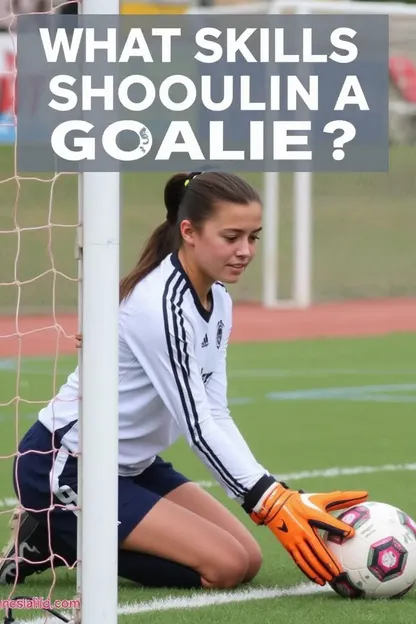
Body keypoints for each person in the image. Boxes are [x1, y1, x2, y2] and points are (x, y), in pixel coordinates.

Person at [0, 171, 367, 590]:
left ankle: (67, 531)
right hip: (64, 466)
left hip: (132, 466)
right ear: (189, 232)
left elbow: (215, 410)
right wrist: (267, 500)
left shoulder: (220, 301)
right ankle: (53, 534)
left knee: (248, 558)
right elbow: (196, 426)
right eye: (231, 237)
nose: (245, 251)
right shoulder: (160, 305)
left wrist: (275, 493)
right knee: (223, 569)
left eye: (253, 237)